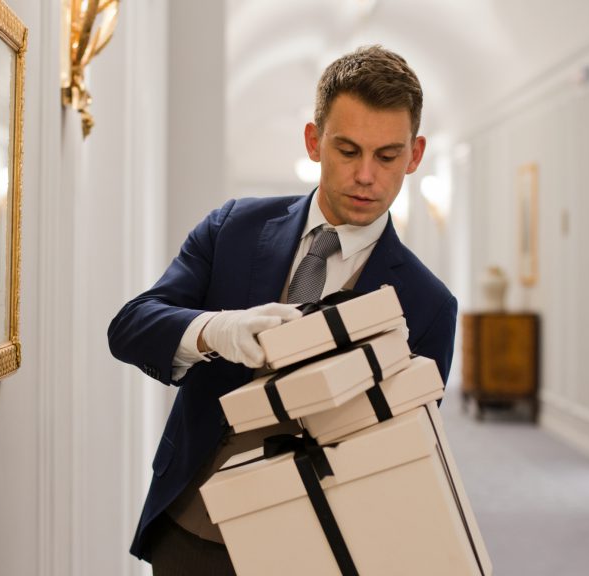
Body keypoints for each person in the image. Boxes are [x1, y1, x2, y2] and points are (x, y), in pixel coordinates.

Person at [108, 45, 457, 575]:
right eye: (347, 150)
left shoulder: (431, 306)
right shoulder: (233, 228)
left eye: (387, 156)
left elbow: (407, 453)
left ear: (414, 154)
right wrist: (216, 331)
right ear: (314, 142)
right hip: (195, 529)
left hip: (326, 544)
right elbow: (130, 326)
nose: (366, 175)